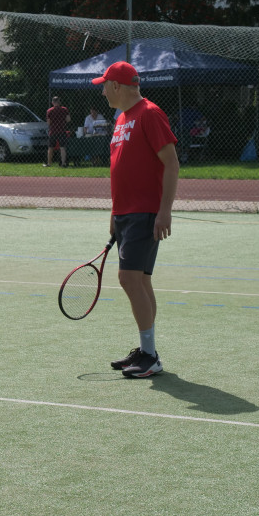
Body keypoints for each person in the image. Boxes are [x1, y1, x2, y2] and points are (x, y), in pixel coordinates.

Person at [92, 61, 179, 378]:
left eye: (104, 84)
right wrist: (114, 213)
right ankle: (146, 351)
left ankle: (150, 356)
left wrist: (165, 210)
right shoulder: (122, 119)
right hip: (126, 214)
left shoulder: (150, 113)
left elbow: (171, 163)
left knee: (128, 279)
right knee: (140, 280)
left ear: (117, 86)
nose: (102, 90)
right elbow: (122, 171)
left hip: (145, 213)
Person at [45, 95, 70, 167]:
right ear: (59, 102)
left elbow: (49, 122)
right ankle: (63, 163)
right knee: (62, 147)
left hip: (53, 131)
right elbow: (68, 119)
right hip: (62, 130)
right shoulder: (64, 109)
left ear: (53, 102)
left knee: (50, 147)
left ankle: (49, 163)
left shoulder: (49, 111)